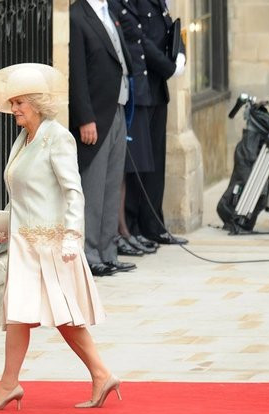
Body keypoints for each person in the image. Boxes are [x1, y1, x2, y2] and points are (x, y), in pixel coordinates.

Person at [0, 63, 122, 410]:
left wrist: (73, 236)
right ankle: (13, 383)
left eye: (19, 103)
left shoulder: (58, 137)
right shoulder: (24, 139)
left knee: (60, 316)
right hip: (26, 243)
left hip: (52, 244)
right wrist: (4, 226)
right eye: (12, 103)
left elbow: (73, 192)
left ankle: (97, 374)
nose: (14, 109)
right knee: (22, 314)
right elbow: (28, 196)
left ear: (37, 104)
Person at [69, 0, 137, 277]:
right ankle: (89, 253)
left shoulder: (111, 12)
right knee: (94, 189)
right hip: (95, 115)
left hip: (118, 108)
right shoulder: (76, 15)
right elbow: (76, 74)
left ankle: (109, 252)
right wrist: (85, 118)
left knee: (111, 184)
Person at [131, 0, 188, 245]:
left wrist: (181, 55)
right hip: (141, 90)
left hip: (157, 91)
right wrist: (168, 67)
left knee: (156, 162)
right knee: (139, 165)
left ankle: (154, 225)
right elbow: (141, 40)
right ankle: (135, 227)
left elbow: (171, 29)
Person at [108, 0, 159, 256]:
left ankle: (128, 229)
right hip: (122, 96)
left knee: (132, 168)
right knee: (122, 169)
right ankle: (120, 231)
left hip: (135, 91)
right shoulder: (113, 6)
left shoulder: (127, 5)